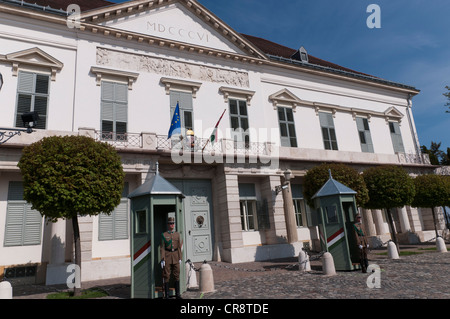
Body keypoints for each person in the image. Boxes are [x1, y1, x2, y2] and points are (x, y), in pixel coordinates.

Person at [160, 217, 183, 299]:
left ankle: (177, 294)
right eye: (170, 223)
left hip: (176, 256)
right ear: (168, 224)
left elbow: (179, 247)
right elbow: (162, 247)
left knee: (177, 275)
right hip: (167, 256)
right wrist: (162, 259)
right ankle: (167, 295)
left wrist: (180, 257)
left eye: (173, 223)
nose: (172, 225)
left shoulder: (177, 234)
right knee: (167, 276)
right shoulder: (164, 235)